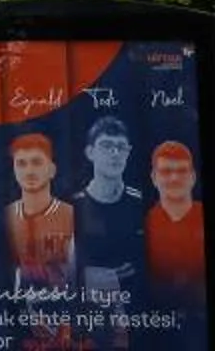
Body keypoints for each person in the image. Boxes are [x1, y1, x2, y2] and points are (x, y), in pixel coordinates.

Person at [73, 118, 144, 313]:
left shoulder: (141, 205)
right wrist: (84, 276)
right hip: (86, 314)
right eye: (106, 146)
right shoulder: (72, 206)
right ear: (90, 152)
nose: (115, 153)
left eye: (121, 147)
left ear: (128, 153)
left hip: (136, 313)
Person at [4, 134, 76, 288]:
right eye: (21, 164)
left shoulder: (72, 215)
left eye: (37, 163)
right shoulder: (5, 216)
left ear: (52, 170)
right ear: (14, 170)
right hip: (14, 305)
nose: (29, 171)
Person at [142, 144, 208, 306]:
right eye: (166, 171)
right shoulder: (144, 224)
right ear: (154, 178)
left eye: (181, 171)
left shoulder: (205, 218)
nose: (174, 178)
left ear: (193, 177)